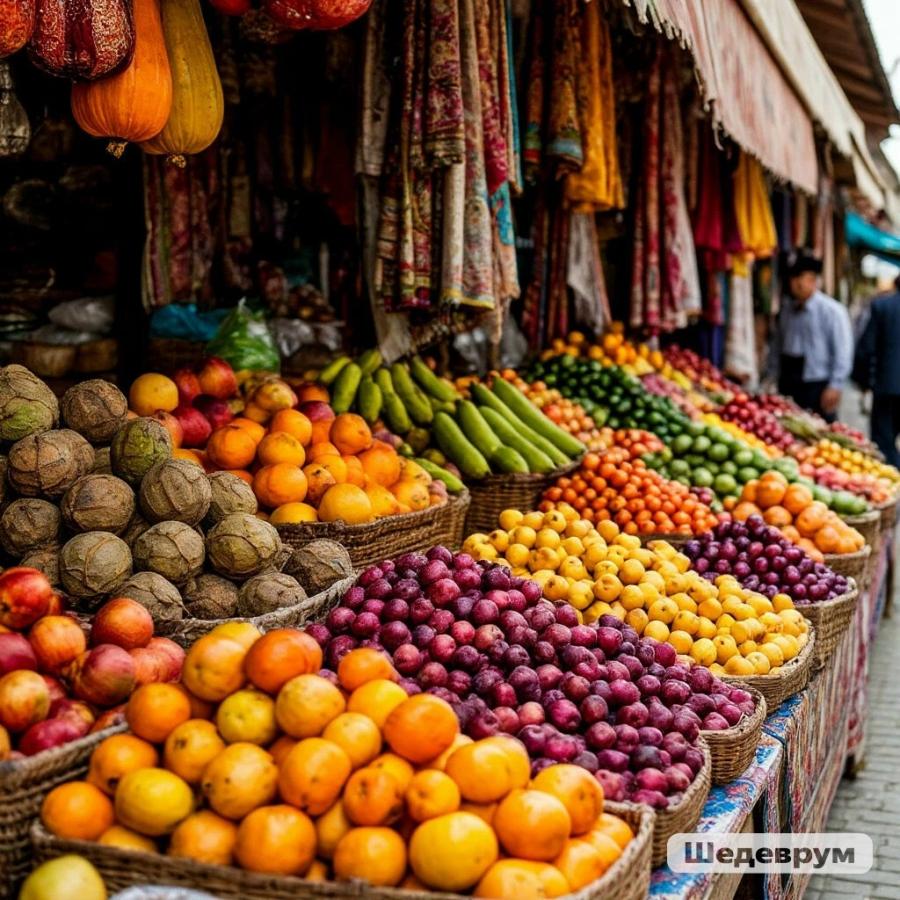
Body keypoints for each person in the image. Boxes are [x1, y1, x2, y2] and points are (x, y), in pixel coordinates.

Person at [768, 250, 853, 422]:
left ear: (813, 281)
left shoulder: (832, 311)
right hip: (788, 381)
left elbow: (843, 352)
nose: (794, 285)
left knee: (820, 434)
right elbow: (777, 346)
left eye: (800, 281)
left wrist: (835, 385)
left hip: (817, 384)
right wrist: (771, 376)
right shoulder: (786, 311)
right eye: (793, 280)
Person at [854, 276, 900, 468]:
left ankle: (893, 481)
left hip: (886, 387)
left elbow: (865, 349)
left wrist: (865, 383)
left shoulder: (882, 307)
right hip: (886, 386)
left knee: (883, 442)